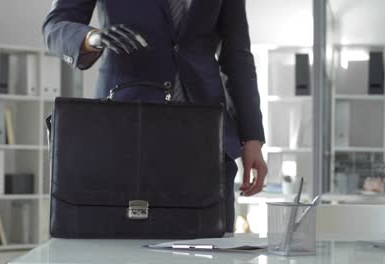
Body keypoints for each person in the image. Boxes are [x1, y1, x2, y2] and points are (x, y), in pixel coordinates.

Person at [42, 0, 267, 232]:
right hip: (126, 136)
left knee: (213, 245)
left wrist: (251, 137)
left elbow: (237, 56)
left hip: (206, 137)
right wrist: (91, 38)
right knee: (124, 247)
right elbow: (54, 25)